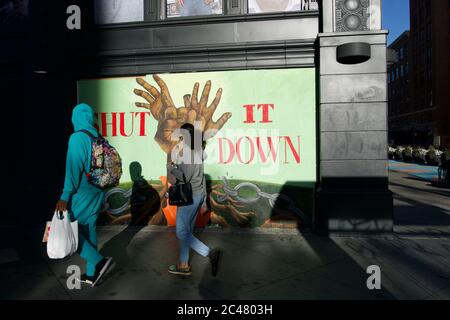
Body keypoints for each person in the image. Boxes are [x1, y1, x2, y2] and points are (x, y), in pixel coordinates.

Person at [55, 103, 115, 287]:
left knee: (70, 231)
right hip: (97, 190)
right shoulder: (98, 137)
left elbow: (73, 169)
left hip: (81, 192)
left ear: (75, 118)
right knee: (89, 229)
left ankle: (99, 261)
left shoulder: (77, 138)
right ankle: (92, 274)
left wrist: (65, 195)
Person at [167, 123, 221, 277]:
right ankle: (183, 265)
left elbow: (184, 177)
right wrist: (203, 202)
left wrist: (171, 168)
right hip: (197, 197)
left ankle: (209, 253)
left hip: (188, 198)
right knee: (187, 231)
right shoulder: (197, 152)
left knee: (181, 232)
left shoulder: (188, 153)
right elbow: (202, 178)